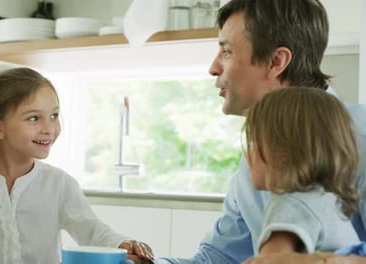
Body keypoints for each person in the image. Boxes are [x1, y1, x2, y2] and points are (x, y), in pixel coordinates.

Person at [154, 0, 366, 263]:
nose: (213, 68)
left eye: (227, 52)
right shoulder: (261, 156)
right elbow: (217, 259)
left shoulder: (361, 139)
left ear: (276, 61)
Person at [0, 67, 153, 264]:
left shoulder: (59, 183)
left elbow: (92, 230)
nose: (49, 128)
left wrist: (123, 244)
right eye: (34, 118)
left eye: (55, 115)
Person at [244, 88, 359, 255]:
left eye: (254, 142)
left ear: (283, 153)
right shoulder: (328, 201)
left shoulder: (292, 203)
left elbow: (272, 260)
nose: (247, 153)